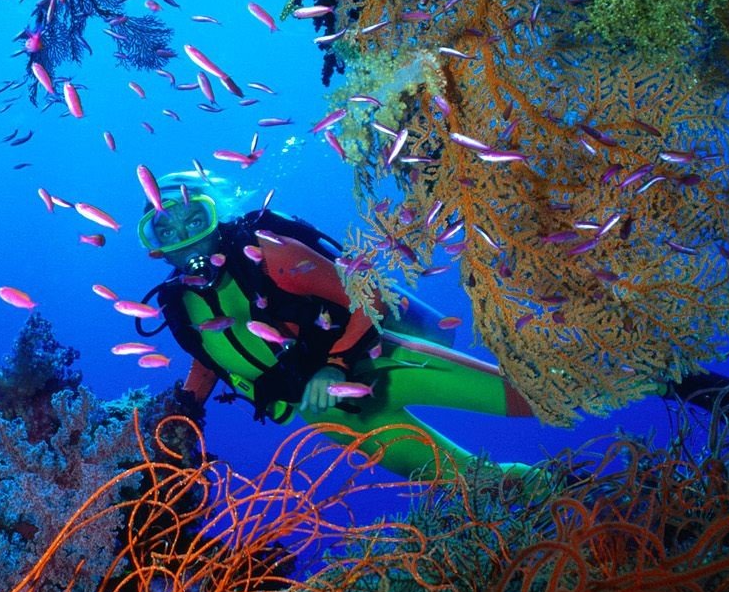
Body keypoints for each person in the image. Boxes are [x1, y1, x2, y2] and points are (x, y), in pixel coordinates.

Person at [135, 171, 536, 483]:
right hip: (326, 415)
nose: (184, 238)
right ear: (154, 247)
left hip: (379, 365)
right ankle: (550, 487)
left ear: (215, 217)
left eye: (196, 220)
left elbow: (369, 297)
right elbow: (212, 359)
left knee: (534, 396)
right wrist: (182, 413)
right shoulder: (179, 304)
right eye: (165, 230)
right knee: (472, 481)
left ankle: (577, 390)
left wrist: (336, 366)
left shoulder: (268, 254)